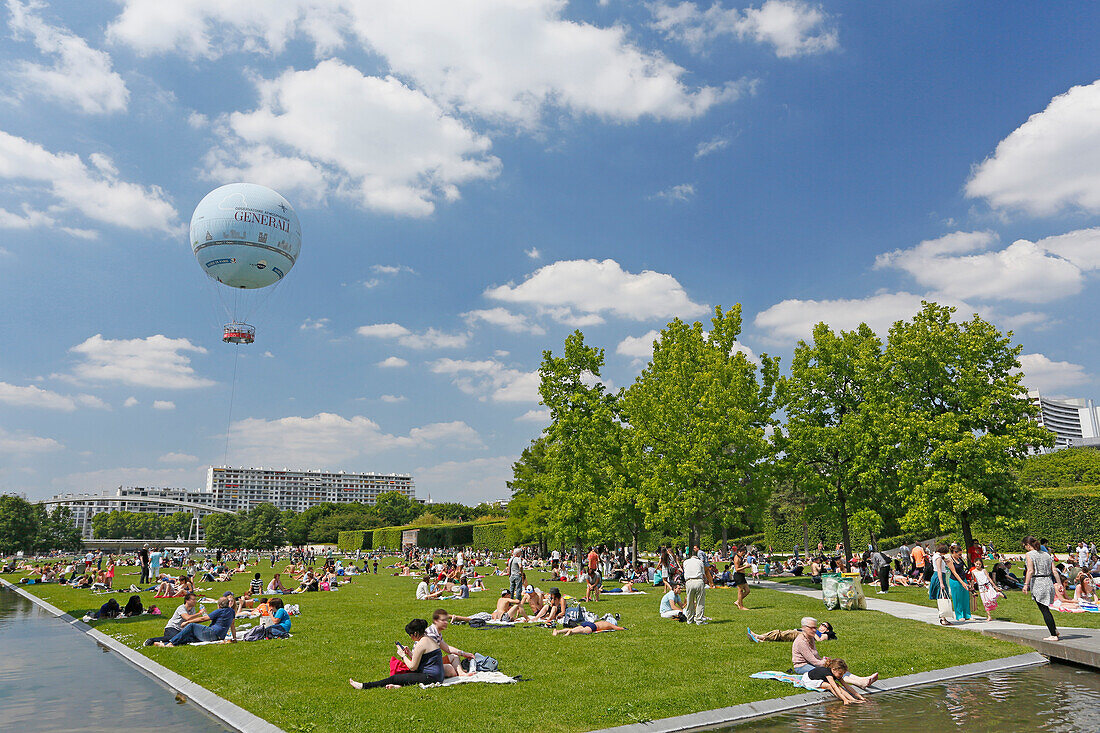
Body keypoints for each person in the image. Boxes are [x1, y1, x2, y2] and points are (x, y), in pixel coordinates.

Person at [349, 619, 445, 689]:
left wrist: (403, 656)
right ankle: (397, 686)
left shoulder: (421, 644)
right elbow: (425, 659)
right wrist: (410, 654)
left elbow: (413, 667)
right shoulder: (428, 639)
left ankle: (364, 686)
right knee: (405, 676)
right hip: (437, 675)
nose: (410, 637)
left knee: (395, 678)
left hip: (431, 677)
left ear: (415, 633)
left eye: (410, 635)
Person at [792, 617, 878, 688]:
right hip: (802, 666)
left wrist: (825, 660)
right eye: (812, 628)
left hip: (813, 663)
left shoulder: (810, 638)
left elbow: (815, 656)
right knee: (832, 671)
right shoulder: (801, 642)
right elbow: (814, 661)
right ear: (804, 627)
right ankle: (859, 683)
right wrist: (825, 662)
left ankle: (862, 679)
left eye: (815, 627)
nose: (815, 630)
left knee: (837, 666)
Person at [156, 596, 237, 646]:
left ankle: (171, 643)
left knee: (191, 626)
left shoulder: (219, 611)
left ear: (219, 605)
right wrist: (234, 638)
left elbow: (203, 619)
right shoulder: (232, 611)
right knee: (190, 637)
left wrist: (188, 622)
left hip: (213, 634)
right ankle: (165, 644)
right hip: (219, 636)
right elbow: (232, 625)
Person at [1024, 536, 1061, 641]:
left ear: (1028, 545)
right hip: (1048, 581)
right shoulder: (1046, 554)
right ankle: (1054, 630)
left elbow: (1030, 570)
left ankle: (1053, 634)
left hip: (1038, 582)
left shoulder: (1029, 555)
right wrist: (1059, 583)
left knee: (1044, 610)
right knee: (1046, 608)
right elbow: (1054, 570)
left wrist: (1026, 584)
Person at [428, 609, 476, 678]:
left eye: (446, 620)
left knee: (455, 657)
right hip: (427, 665)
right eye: (443, 620)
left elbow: (447, 648)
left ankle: (461, 673)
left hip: (433, 661)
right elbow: (429, 656)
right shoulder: (430, 634)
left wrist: (464, 653)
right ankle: (456, 672)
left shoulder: (436, 632)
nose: (446, 622)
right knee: (450, 669)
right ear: (436, 621)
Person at [748, 620, 835, 643]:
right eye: (821, 624)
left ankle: (759, 636)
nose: (821, 626)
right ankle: (760, 639)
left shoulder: (826, 634)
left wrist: (814, 632)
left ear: (827, 629)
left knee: (780, 634)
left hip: (803, 636)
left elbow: (819, 640)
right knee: (781, 635)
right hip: (800, 633)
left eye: (824, 625)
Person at [929, 544, 953, 626]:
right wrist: (941, 583)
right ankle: (943, 618)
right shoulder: (938, 558)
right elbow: (939, 570)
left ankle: (943, 617)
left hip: (939, 576)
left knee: (941, 597)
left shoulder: (937, 556)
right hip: (939, 577)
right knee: (942, 597)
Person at [947, 545, 972, 622]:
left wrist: (966, 581)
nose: (960, 556)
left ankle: (967, 615)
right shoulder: (950, 560)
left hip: (963, 579)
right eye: (959, 554)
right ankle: (959, 615)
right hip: (955, 581)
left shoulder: (960, 559)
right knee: (957, 598)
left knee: (965, 597)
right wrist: (962, 582)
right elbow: (954, 572)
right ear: (954, 552)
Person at [683, 551, 707, 624]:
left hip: (689, 581)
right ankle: (699, 620)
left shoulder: (685, 562)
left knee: (690, 602)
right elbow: (703, 574)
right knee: (700, 602)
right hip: (698, 581)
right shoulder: (700, 562)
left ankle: (689, 620)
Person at [552, 619, 625, 636]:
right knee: (584, 631)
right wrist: (623, 628)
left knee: (576, 628)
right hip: (594, 626)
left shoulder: (603, 621)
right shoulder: (610, 625)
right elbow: (617, 628)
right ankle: (572, 632)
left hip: (588, 623)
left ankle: (558, 631)